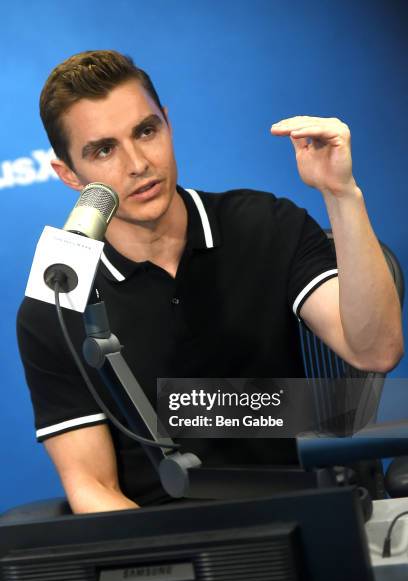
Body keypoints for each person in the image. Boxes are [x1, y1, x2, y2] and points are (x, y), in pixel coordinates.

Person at [17, 50, 403, 514]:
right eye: (104, 149)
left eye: (146, 131)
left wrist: (341, 194)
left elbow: (376, 351)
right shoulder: (57, 297)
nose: (138, 163)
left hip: (306, 513)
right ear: (68, 175)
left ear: (168, 125)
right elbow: (92, 487)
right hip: (170, 545)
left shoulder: (263, 223)